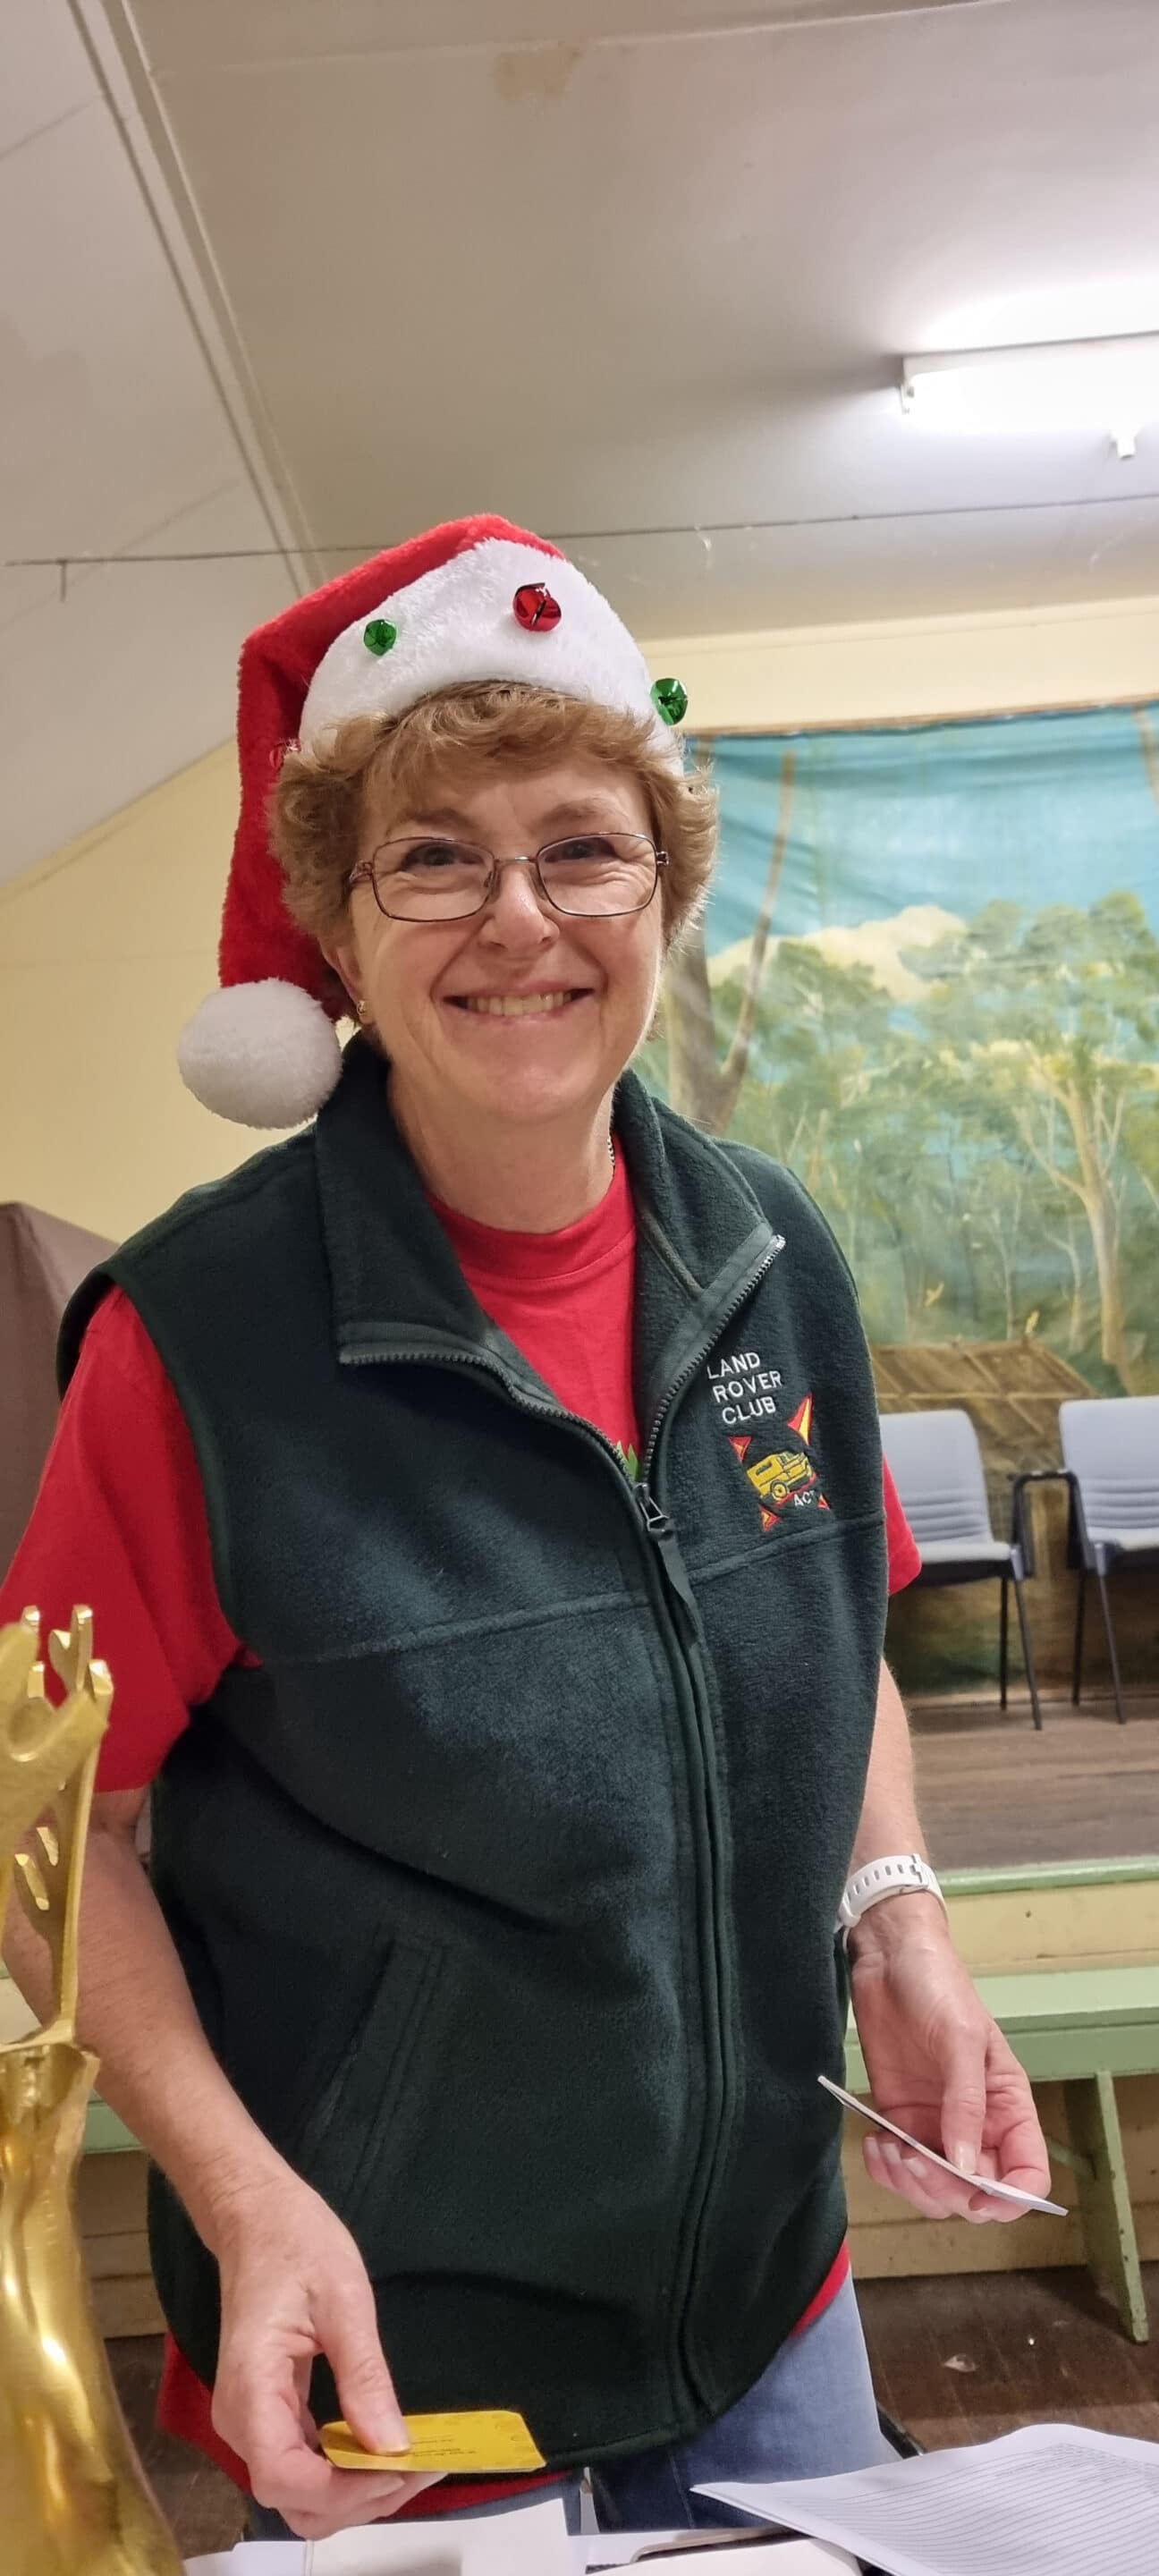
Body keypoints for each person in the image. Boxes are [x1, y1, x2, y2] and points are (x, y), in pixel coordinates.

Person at [2, 516, 1051, 2544]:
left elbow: (837, 1639)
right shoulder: (197, 1341)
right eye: (435, 857)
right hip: (394, 2351)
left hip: (769, 2304)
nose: (520, 920)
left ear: (663, 896)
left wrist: (900, 1925)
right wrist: (241, 2193)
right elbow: (54, 1841)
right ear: (338, 928)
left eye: (584, 849)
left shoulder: (773, 1256)